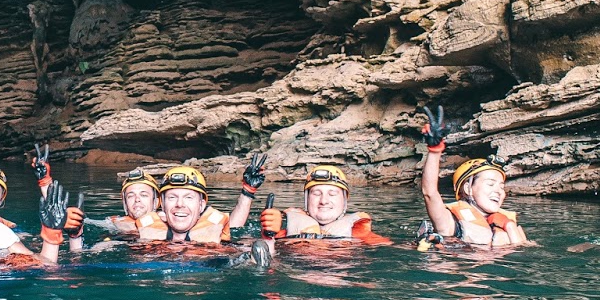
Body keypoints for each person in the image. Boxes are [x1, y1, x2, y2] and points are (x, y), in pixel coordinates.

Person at [418, 106, 529, 248]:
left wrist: (510, 226)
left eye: (501, 186)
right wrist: (435, 150)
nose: (498, 191)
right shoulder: (449, 223)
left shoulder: (505, 222)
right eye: (490, 184)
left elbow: (526, 253)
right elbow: (429, 193)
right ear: (468, 188)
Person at [123, 161, 258, 243]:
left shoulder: (219, 235)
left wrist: (270, 238)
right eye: (172, 197)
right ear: (162, 205)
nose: (180, 204)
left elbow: (237, 231)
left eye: (188, 197)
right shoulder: (140, 233)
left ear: (201, 205)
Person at [258, 164, 391, 244]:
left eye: (332, 194)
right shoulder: (283, 227)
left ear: (345, 200)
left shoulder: (358, 232)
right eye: (316, 193)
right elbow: (240, 247)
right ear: (307, 199)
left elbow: (391, 248)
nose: (324, 201)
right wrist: (268, 237)